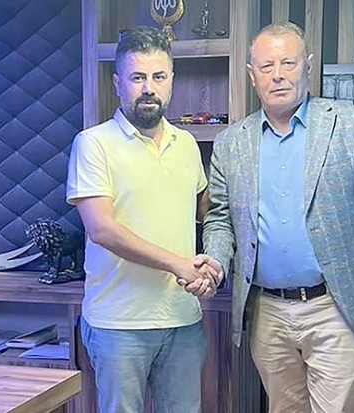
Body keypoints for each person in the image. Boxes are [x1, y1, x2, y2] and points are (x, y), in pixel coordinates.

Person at [191, 21, 354, 412]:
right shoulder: (230, 143)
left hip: (335, 309)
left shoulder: (352, 125)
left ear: (307, 65)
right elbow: (221, 218)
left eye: (288, 63)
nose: (278, 74)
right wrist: (216, 262)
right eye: (267, 65)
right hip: (267, 313)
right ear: (252, 74)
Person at [65, 26, 222, 413]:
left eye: (158, 76)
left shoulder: (186, 145)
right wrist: (179, 264)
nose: (148, 88)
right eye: (137, 77)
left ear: (171, 81)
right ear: (117, 83)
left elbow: (209, 214)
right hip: (119, 325)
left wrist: (212, 266)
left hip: (182, 320)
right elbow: (102, 229)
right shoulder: (93, 143)